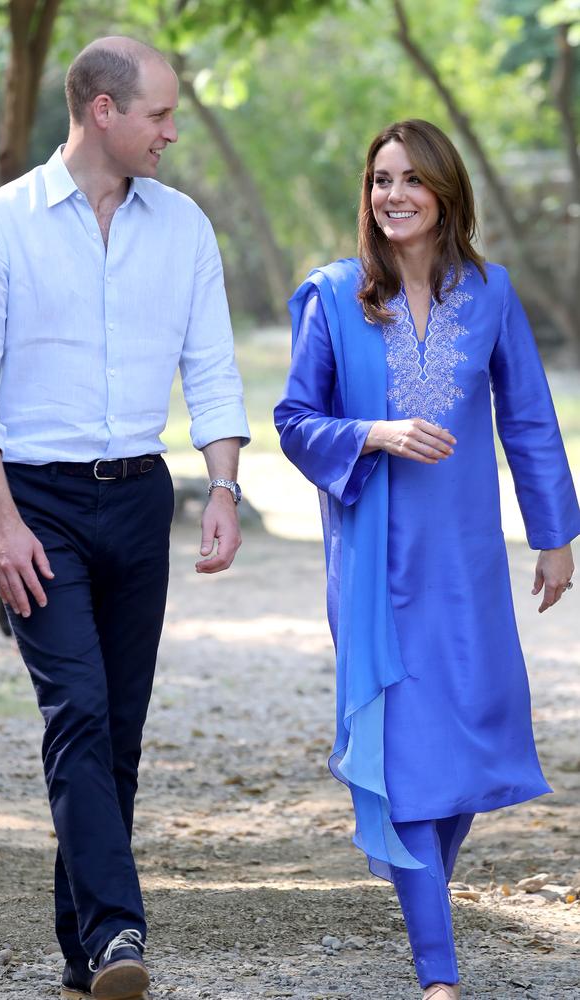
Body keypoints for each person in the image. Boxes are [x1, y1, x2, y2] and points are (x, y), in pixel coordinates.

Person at [0, 36, 249, 1000]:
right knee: (75, 709)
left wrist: (227, 487)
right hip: (36, 502)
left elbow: (211, 366)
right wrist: (0, 522)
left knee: (115, 728)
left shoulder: (184, 226)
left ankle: (84, 956)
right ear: (102, 111)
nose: (172, 131)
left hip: (140, 499)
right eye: (159, 114)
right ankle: (122, 935)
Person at [274, 119, 579, 999]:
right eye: (380, 180)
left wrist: (554, 535)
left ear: (445, 192)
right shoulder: (334, 296)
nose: (393, 195)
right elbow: (295, 420)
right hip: (375, 564)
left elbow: (527, 418)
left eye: (411, 178)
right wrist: (372, 431)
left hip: (469, 564)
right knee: (405, 752)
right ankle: (437, 972)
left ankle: (422, 892)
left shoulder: (490, 293)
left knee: (472, 745)